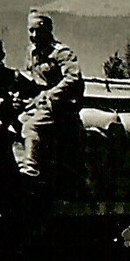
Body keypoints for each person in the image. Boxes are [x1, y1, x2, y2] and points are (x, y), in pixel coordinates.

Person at [18, 10, 84, 178]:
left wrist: (50, 94)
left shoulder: (61, 53)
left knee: (31, 126)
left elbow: (73, 77)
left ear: (48, 31)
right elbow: (31, 78)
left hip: (60, 106)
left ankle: (30, 168)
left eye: (39, 31)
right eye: (31, 30)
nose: (34, 35)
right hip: (40, 104)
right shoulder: (32, 52)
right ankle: (18, 162)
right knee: (14, 121)